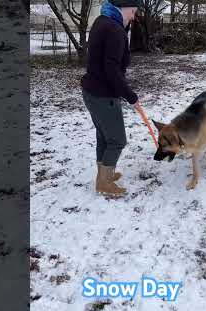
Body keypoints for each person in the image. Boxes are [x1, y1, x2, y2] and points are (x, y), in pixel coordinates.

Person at [81, 0, 143, 197]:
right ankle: (105, 183)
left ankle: (103, 175)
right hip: (103, 95)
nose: (133, 16)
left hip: (91, 91)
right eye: (133, 11)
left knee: (104, 136)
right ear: (124, 7)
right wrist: (131, 97)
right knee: (117, 140)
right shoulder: (115, 30)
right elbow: (112, 71)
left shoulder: (102, 21)